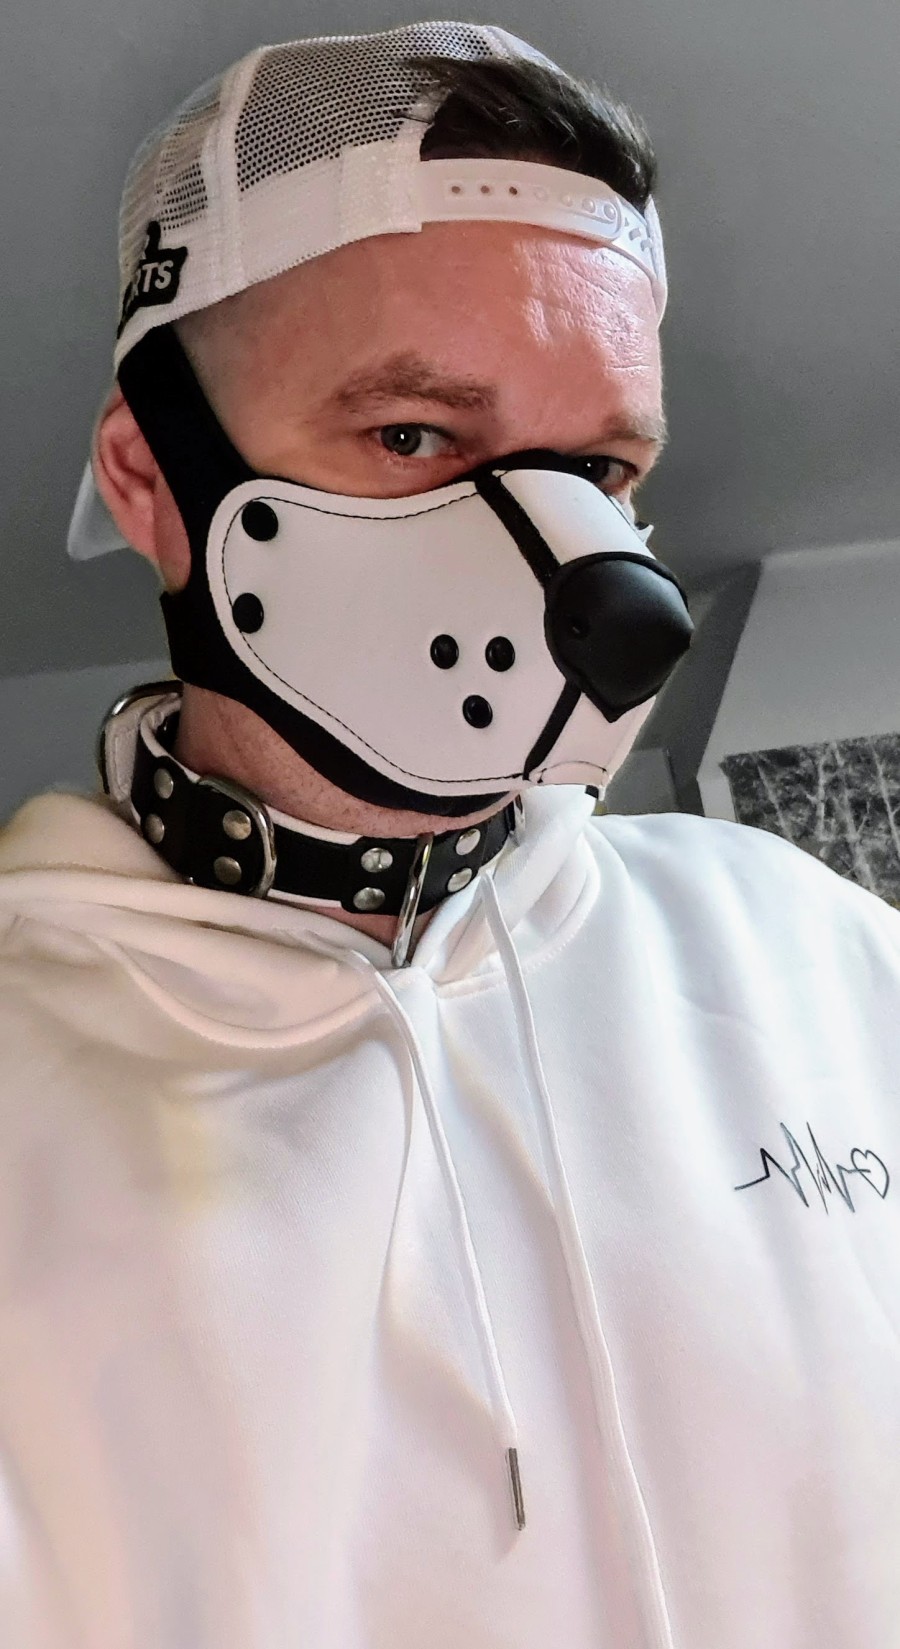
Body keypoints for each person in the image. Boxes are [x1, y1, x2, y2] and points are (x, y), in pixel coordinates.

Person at [2, 20, 899, 1648]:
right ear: (149, 481)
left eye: (602, 465)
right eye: (415, 435)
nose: (570, 572)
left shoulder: (827, 961)